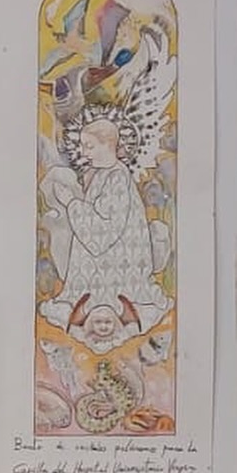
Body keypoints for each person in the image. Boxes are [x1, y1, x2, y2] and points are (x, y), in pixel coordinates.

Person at [39, 111, 169, 349]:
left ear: (107, 145)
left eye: (89, 146)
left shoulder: (117, 179)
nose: (83, 152)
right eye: (82, 146)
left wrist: (71, 203)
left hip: (117, 265)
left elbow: (104, 233)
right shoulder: (101, 175)